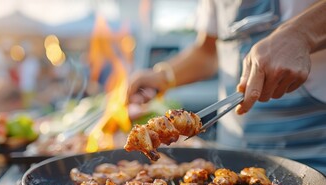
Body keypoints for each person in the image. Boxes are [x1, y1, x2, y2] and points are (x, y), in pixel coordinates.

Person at [127, 0, 326, 174]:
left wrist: (301, 34)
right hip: (233, 154)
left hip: (311, 156)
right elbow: (208, 52)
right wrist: (162, 76)